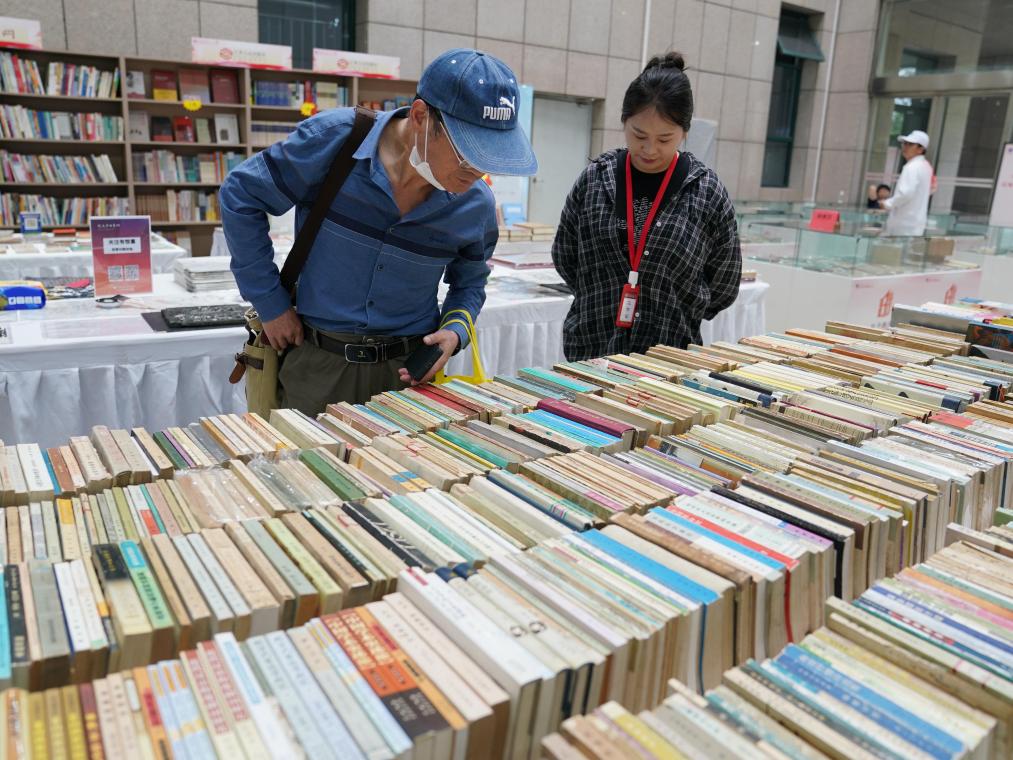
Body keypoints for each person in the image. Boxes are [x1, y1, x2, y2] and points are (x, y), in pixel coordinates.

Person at [220, 49, 536, 413]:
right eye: (468, 154)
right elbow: (241, 195)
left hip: (408, 375)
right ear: (420, 117)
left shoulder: (475, 204)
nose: (477, 172)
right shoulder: (336, 142)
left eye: (491, 158)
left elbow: (470, 283)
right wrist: (271, 304)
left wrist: (455, 331)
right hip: (317, 366)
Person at [551, 52, 740, 361]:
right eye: (639, 135)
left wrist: (680, 305)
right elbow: (565, 255)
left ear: (685, 132)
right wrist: (601, 293)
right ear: (624, 121)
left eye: (665, 139)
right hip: (591, 347)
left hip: (668, 356)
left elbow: (724, 282)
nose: (650, 149)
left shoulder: (706, 192)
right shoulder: (596, 179)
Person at [880, 130, 932, 236]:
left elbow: (906, 193)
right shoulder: (925, 166)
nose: (905, 147)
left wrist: (887, 204)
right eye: (905, 143)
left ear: (921, 149)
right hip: (915, 224)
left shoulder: (912, 167)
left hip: (904, 225)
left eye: (910, 144)